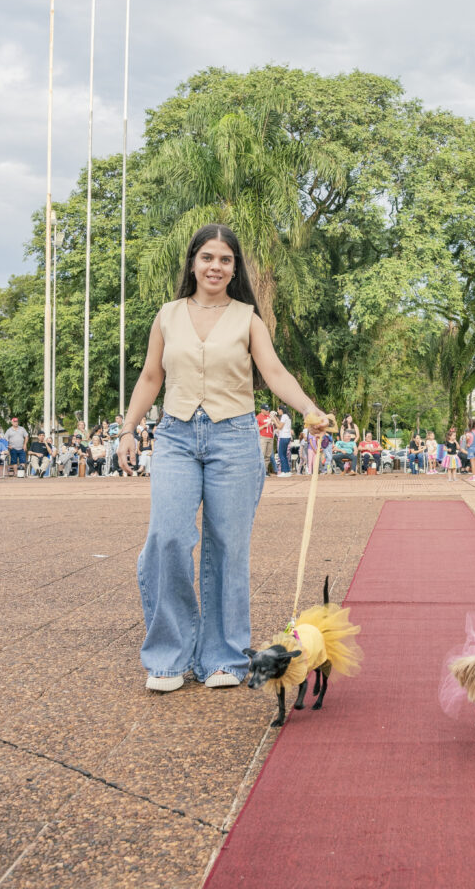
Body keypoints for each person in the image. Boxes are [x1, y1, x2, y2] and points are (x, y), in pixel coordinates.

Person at [115, 223, 328, 693]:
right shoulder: (167, 315)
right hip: (175, 436)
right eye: (207, 257)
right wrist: (127, 429)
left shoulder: (248, 318)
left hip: (235, 438)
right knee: (167, 538)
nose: (216, 266)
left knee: (227, 550)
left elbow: (272, 372)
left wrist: (310, 409)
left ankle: (222, 657)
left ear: (235, 269)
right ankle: (168, 656)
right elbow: (151, 377)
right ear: (193, 262)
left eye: (225, 259)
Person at [256, 402, 275, 474]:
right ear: (262, 410)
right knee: (262, 454)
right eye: (266, 410)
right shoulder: (258, 417)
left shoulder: (269, 416)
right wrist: (264, 426)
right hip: (262, 437)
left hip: (270, 437)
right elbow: (256, 428)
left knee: (268, 455)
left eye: (268, 410)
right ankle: (260, 471)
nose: (268, 411)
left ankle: (265, 470)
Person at [275, 407, 292, 477]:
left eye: (278, 410)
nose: (278, 411)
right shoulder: (287, 416)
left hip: (283, 437)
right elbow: (281, 423)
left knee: (281, 454)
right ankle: (287, 471)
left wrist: (274, 420)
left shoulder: (284, 416)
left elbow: (279, 427)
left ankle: (284, 472)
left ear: (281, 410)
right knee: (284, 455)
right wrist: (276, 418)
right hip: (287, 436)